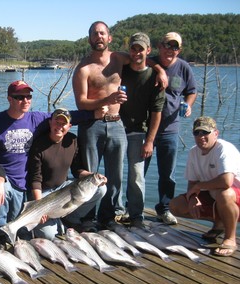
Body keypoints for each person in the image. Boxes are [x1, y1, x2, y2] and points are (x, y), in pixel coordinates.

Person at [0, 80, 103, 248]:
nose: (25, 101)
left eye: (28, 96)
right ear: (9, 99)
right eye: (19, 97)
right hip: (1, 176)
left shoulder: (36, 119)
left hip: (24, 179)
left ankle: (18, 231)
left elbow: (67, 118)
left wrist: (94, 114)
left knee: (20, 222)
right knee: (4, 191)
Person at [72, 21, 167, 230]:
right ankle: (87, 219)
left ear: (109, 38)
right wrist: (108, 100)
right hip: (91, 126)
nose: (98, 37)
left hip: (117, 125)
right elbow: (81, 103)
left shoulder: (118, 58)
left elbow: (143, 59)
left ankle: (107, 217)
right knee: (90, 174)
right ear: (89, 39)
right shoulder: (83, 69)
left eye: (102, 33)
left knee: (115, 176)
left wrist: (160, 70)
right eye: (94, 34)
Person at [27, 108, 107, 239]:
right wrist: (38, 205)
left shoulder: (72, 141)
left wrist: (94, 176)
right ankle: (57, 219)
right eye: (56, 122)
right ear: (50, 123)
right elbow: (35, 180)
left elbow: (77, 170)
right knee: (49, 236)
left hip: (64, 188)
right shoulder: (38, 144)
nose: (59, 126)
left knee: (100, 189)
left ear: (69, 126)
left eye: (63, 124)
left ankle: (70, 217)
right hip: (43, 192)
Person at [146, 32, 197, 225]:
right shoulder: (148, 63)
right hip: (146, 128)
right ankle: (132, 209)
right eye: (167, 45)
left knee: (167, 173)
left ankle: (164, 209)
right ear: (160, 46)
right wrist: (158, 68)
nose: (170, 50)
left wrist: (188, 104)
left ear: (179, 50)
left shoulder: (183, 68)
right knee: (138, 171)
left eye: (175, 47)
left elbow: (191, 91)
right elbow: (130, 58)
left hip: (170, 129)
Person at [169, 117, 239, 256]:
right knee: (176, 205)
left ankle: (230, 238)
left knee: (225, 194)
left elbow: (226, 181)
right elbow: (192, 182)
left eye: (205, 132)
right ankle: (219, 224)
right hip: (214, 196)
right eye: (197, 133)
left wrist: (199, 186)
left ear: (216, 133)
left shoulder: (224, 149)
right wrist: (193, 197)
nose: (201, 137)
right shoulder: (193, 152)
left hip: (234, 196)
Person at [120, 33, 165, 228]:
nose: (137, 52)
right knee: (113, 176)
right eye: (133, 48)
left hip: (138, 132)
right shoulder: (120, 69)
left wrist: (150, 141)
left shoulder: (155, 78)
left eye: (141, 48)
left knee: (137, 175)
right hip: (115, 129)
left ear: (148, 50)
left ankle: (136, 215)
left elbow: (156, 112)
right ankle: (113, 211)